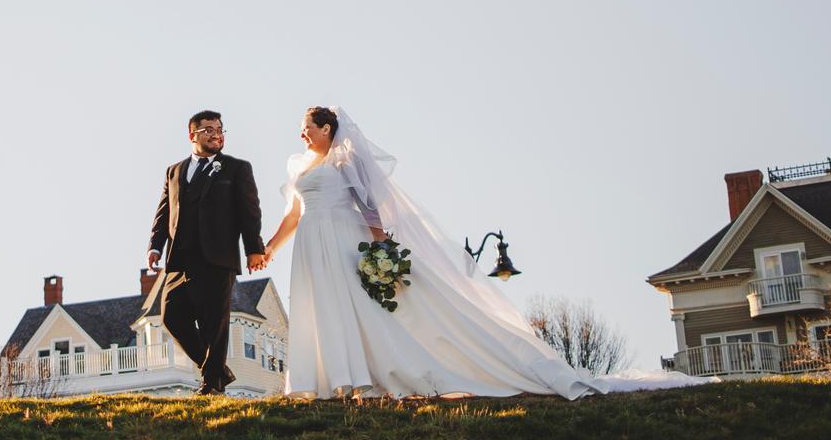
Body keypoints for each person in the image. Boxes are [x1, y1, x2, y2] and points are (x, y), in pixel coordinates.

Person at [265, 105, 666, 399]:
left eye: (308, 128)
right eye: (302, 129)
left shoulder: (344, 162)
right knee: (319, 307)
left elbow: (369, 206)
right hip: (309, 245)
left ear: (327, 127)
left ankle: (361, 375)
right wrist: (268, 249)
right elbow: (294, 214)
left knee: (354, 308)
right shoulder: (299, 167)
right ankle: (321, 379)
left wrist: (381, 246)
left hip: (341, 240)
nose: (302, 134)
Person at [147, 109, 268, 395]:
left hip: (217, 256)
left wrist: (253, 249)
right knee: (171, 316)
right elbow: (164, 211)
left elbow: (250, 211)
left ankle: (212, 385)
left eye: (220, 129)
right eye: (209, 130)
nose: (216, 135)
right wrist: (155, 245)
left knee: (215, 323)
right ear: (192, 135)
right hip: (180, 258)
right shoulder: (174, 171)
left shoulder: (237, 168)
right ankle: (217, 370)